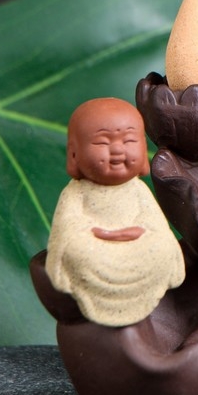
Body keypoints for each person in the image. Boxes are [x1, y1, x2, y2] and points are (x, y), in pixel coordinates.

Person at [45, 98, 185, 326]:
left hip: (138, 246)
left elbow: (155, 224)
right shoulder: (76, 193)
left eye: (129, 141)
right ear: (74, 154)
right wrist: (97, 234)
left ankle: (140, 300)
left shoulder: (138, 190)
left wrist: (141, 232)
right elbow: (68, 226)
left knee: (163, 246)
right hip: (96, 250)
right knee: (78, 250)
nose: (118, 150)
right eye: (102, 143)